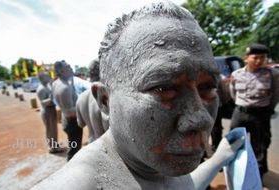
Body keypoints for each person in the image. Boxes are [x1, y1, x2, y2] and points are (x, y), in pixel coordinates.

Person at [33, 2, 244, 189]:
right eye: (163, 89)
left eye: (207, 87)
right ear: (105, 101)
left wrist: (218, 159)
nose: (202, 119)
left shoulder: (153, 162)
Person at [229, 43, 279, 179]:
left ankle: (257, 177)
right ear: (246, 58)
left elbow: (275, 95)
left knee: (260, 147)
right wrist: (242, 106)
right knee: (234, 142)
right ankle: (235, 172)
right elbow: (233, 94)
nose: (259, 61)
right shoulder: (236, 74)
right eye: (255, 57)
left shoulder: (272, 74)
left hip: (261, 115)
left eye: (262, 58)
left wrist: (267, 109)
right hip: (240, 113)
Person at [52, 60, 83, 161]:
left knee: (74, 147)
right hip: (72, 123)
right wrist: (84, 106)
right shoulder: (64, 87)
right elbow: (69, 112)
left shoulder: (56, 83)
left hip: (66, 120)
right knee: (74, 151)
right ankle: (72, 169)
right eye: (67, 67)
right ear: (61, 71)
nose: (70, 67)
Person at [76, 58, 109, 143]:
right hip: (109, 149)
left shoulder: (81, 98)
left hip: (93, 144)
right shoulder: (106, 96)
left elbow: (81, 124)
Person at [36, 73, 62, 153]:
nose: (49, 77)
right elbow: (42, 102)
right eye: (47, 76)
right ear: (42, 78)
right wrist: (51, 98)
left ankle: (55, 145)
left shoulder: (47, 86)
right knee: (50, 130)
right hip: (47, 111)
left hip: (51, 110)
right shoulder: (41, 89)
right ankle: (52, 148)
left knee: (54, 129)